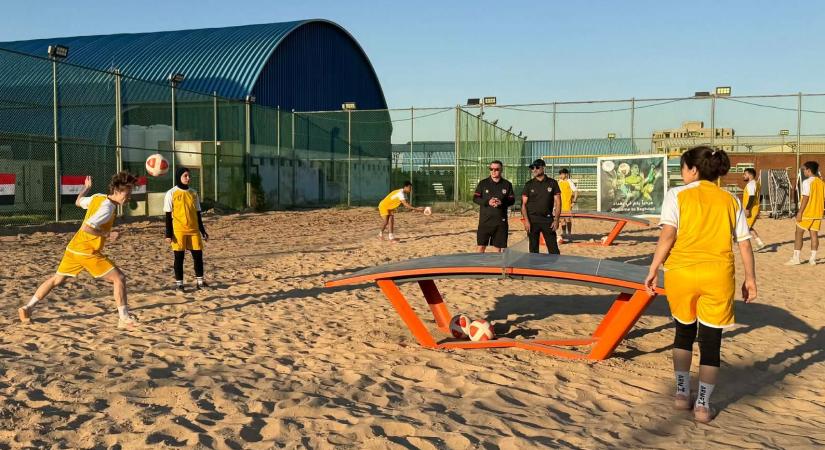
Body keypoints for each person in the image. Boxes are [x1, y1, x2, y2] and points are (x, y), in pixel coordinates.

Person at [644, 146, 757, 424]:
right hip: (718, 275)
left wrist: (653, 267)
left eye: (683, 168)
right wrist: (750, 279)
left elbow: (668, 235)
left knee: (683, 333)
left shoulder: (676, 195)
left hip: (681, 273)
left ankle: (682, 395)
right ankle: (703, 406)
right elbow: (744, 243)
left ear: (693, 170)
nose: (682, 174)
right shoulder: (730, 200)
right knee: (711, 342)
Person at [18, 172, 140, 329]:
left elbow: (78, 201)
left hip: (73, 247)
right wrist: (108, 234)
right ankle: (124, 318)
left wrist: (86, 188)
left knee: (56, 279)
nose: (128, 197)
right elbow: (86, 227)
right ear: (118, 191)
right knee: (119, 278)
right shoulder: (107, 208)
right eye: (127, 194)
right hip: (86, 251)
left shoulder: (97, 197)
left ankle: (28, 308)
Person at [165, 167, 209, 292]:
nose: (188, 178)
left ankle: (200, 282)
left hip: (194, 230)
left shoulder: (193, 193)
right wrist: (168, 234)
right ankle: (179, 285)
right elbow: (168, 215)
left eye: (189, 176)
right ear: (179, 177)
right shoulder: (171, 193)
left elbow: (198, 214)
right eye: (185, 176)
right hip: (178, 231)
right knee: (179, 258)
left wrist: (203, 231)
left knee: (198, 256)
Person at [785, 161, 824, 266]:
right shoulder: (821, 183)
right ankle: (812, 259)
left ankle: (796, 258)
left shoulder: (807, 182)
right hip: (818, 213)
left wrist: (800, 212)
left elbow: (806, 198)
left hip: (807, 212)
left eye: (804, 169)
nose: (803, 171)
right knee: (814, 235)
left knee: (798, 234)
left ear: (809, 170)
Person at [473, 160, 515, 252]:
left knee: (498, 249)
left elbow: (512, 200)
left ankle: (497, 266)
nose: (493, 171)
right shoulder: (483, 183)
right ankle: (479, 266)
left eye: (496, 169)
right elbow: (475, 198)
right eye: (491, 169)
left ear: (501, 170)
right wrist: (488, 202)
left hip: (500, 222)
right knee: (481, 247)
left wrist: (502, 203)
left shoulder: (507, 184)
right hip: (485, 221)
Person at [521, 159, 562, 254]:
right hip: (532, 220)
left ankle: (555, 267)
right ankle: (534, 268)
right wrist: (526, 221)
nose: (534, 170)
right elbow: (523, 204)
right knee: (533, 249)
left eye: (537, 167)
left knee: (553, 249)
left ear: (543, 168)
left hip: (547, 220)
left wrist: (556, 220)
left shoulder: (552, 183)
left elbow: (558, 203)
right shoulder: (529, 184)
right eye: (532, 168)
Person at [742, 168, 766, 250]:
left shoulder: (751, 184)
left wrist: (748, 209)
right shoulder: (757, 183)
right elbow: (761, 196)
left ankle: (746, 248)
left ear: (750, 175)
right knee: (748, 227)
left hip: (751, 210)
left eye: (745, 174)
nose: (744, 176)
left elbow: (751, 197)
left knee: (745, 229)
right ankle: (760, 243)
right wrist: (758, 207)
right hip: (754, 208)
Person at [557, 168, 578, 243]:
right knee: (562, 219)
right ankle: (564, 232)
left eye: (562, 174)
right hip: (560, 204)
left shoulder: (569, 181)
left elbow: (575, 192)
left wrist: (574, 202)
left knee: (568, 219)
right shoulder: (559, 182)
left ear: (566, 174)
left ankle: (569, 233)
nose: (560, 175)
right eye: (560, 174)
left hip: (567, 203)